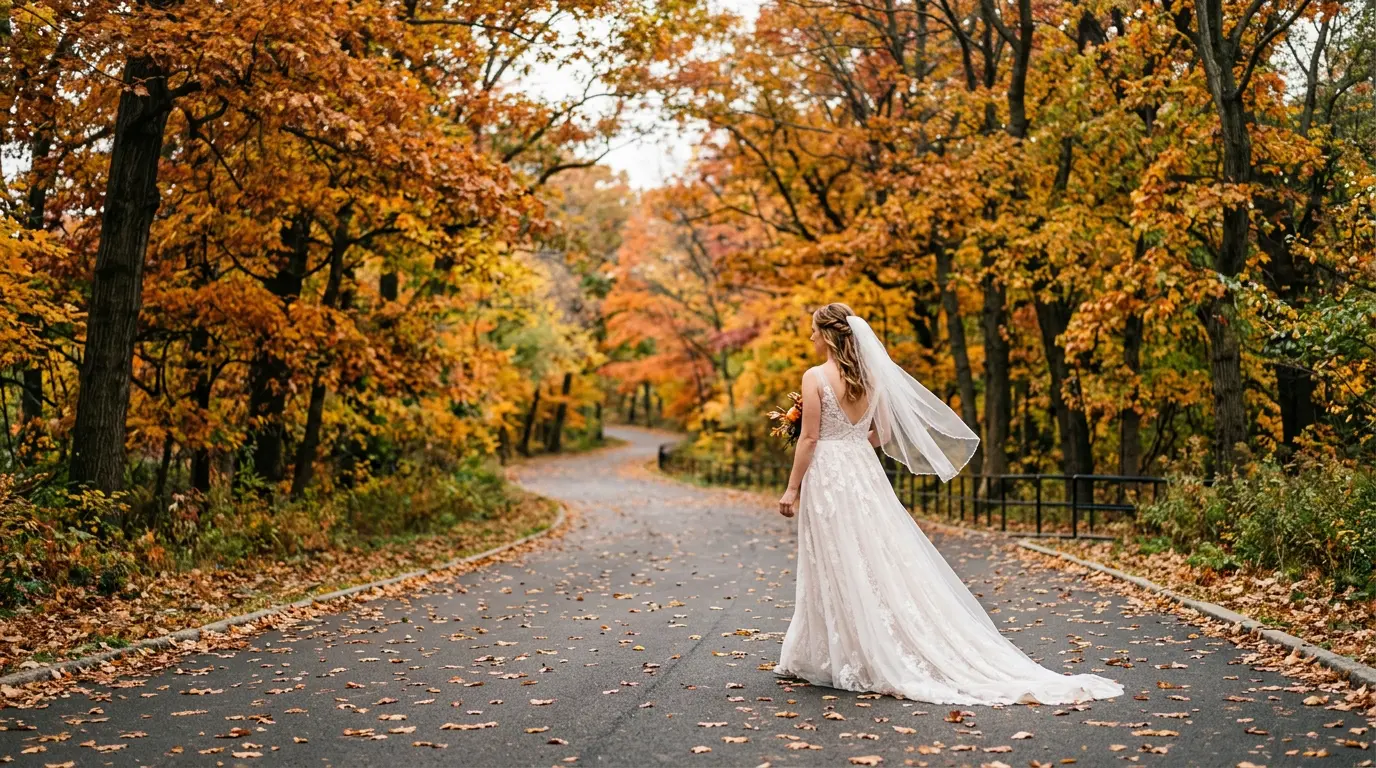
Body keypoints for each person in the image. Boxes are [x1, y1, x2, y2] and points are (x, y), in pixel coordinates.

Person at [772, 302, 1124, 705]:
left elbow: (810, 439)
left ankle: (841, 653)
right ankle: (853, 647)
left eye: (814, 331)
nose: (811, 337)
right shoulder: (872, 377)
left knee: (835, 558)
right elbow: (883, 433)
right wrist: (852, 444)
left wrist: (792, 488)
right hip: (862, 471)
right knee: (874, 555)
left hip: (828, 475)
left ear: (829, 334)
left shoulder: (815, 376)